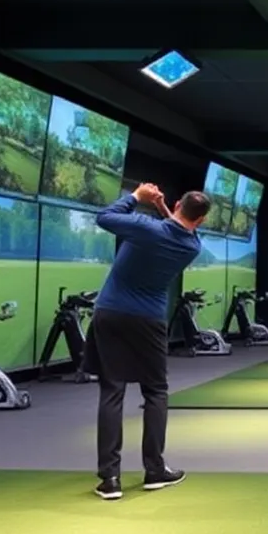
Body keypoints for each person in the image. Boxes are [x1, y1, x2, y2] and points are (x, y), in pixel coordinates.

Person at [88, 184, 210, 500]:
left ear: (178, 202)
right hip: (149, 320)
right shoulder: (191, 245)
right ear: (202, 219)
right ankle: (154, 470)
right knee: (155, 391)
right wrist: (163, 210)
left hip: (111, 312)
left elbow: (104, 217)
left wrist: (136, 197)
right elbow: (178, 229)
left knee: (112, 390)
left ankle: (110, 479)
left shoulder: (145, 227)